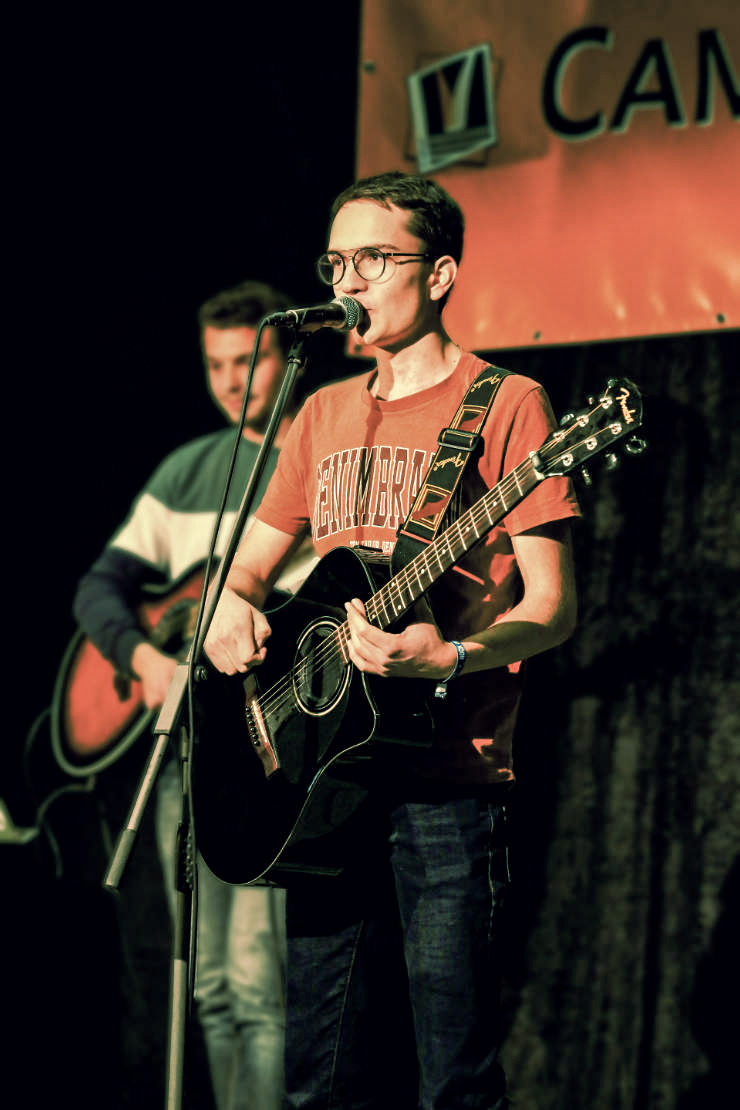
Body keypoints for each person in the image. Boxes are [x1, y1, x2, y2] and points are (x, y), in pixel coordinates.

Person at [203, 172, 581, 1109]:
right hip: (321, 779)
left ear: (440, 273)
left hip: (448, 781)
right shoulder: (323, 411)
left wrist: (447, 656)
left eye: (373, 258)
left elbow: (553, 608)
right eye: (336, 261)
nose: (349, 280)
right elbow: (243, 574)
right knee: (315, 1078)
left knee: (453, 1076)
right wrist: (230, 612)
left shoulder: (508, 404)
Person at [73, 280, 314, 1110]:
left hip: (263, 744)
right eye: (216, 364)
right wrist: (145, 660)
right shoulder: (186, 470)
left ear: (286, 356)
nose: (233, 382)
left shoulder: (316, 452)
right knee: (206, 986)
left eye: (249, 360)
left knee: (256, 983)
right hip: (181, 749)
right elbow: (99, 588)